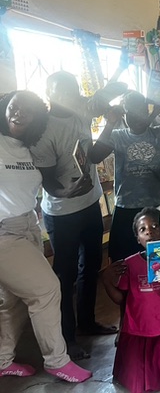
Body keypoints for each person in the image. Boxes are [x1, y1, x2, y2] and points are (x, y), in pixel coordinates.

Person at [29, 71, 125, 360]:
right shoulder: (42, 130)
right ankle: (66, 338)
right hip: (61, 213)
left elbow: (94, 156)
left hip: (90, 204)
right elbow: (46, 181)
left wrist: (109, 124)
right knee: (65, 275)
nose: (67, 96)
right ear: (48, 92)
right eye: (60, 91)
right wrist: (66, 192)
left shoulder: (80, 111)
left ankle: (86, 322)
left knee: (91, 267)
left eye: (71, 90)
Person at [0, 91, 91, 382]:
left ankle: (2, 360)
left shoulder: (31, 147)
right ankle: (56, 360)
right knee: (47, 289)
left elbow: (44, 185)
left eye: (27, 110)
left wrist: (66, 192)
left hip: (28, 224)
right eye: (14, 106)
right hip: (3, 231)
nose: (19, 113)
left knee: (12, 299)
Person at [89, 92, 160, 261]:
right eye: (131, 112)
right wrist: (109, 124)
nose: (137, 117)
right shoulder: (117, 135)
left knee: (159, 261)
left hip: (157, 207)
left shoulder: (159, 133)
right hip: (125, 207)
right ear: (125, 114)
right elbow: (94, 156)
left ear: (147, 111)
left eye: (141, 111)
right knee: (122, 259)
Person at [102, 208, 160, 393]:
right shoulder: (130, 263)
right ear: (138, 239)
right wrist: (106, 281)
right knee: (133, 377)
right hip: (136, 329)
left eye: (155, 226)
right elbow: (121, 299)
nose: (149, 231)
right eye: (143, 229)